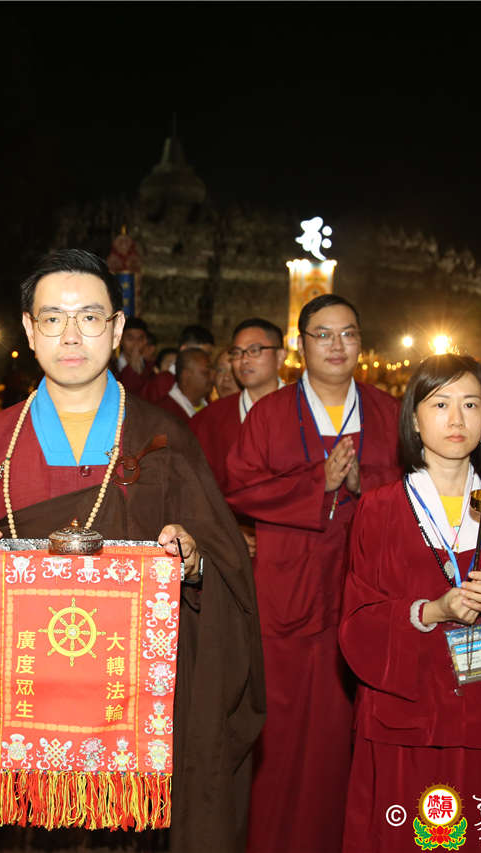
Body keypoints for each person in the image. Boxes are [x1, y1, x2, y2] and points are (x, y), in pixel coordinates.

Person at [0, 249, 264, 851]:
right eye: (53, 318)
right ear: (29, 330)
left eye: (90, 317)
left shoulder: (162, 438)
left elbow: (225, 561)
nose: (71, 335)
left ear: (117, 326)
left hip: (137, 716)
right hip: (24, 710)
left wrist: (193, 559)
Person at [339, 354, 481, 851]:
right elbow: (357, 620)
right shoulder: (379, 509)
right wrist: (431, 612)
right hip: (407, 714)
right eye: (440, 404)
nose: (457, 419)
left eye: (471, 404)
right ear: (414, 420)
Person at [225, 294, 402, 853]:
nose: (336, 345)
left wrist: (363, 482)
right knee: (284, 729)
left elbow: (416, 486)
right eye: (322, 334)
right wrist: (316, 484)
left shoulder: (388, 411)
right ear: (301, 346)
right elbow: (241, 487)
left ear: (361, 343)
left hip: (367, 587)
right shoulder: (271, 413)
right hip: (289, 592)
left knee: (353, 727)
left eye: (347, 333)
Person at [190, 318, 286, 493]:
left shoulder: (304, 409)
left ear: (280, 357)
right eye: (237, 353)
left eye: (254, 350)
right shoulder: (209, 419)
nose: (244, 360)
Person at [154, 347, 214, 423]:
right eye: (206, 373)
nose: (213, 377)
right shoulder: (164, 412)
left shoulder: (211, 405)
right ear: (186, 376)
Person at [114, 315, 154, 396]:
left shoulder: (151, 368)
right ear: (120, 340)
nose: (136, 344)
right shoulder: (112, 367)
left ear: (145, 341)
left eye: (140, 339)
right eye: (130, 339)